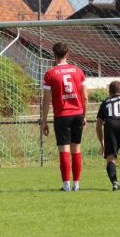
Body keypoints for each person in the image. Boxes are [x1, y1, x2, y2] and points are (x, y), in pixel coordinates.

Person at [42, 42, 88, 191]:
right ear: (67, 54)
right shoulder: (78, 71)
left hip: (62, 115)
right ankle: (77, 184)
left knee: (64, 150)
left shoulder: (50, 74)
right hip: (77, 114)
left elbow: (46, 100)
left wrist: (44, 121)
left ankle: (66, 184)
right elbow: (85, 96)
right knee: (76, 149)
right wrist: (84, 115)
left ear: (53, 55)